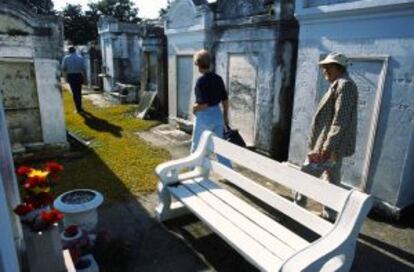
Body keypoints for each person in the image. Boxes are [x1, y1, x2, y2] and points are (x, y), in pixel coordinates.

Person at [294, 52, 358, 221]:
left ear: (338, 68)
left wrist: (326, 147)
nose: (324, 72)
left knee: (306, 174)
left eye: (327, 68)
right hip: (332, 146)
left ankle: (297, 208)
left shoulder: (345, 85)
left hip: (329, 147)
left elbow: (340, 120)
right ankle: (330, 215)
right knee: (332, 179)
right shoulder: (339, 84)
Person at [191, 49, 231, 167]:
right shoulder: (218, 78)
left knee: (197, 145)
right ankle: (229, 172)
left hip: (205, 117)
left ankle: (192, 170)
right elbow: (225, 100)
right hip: (217, 115)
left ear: (198, 64)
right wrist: (224, 118)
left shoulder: (201, 81)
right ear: (209, 63)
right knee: (220, 147)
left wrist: (194, 107)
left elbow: (203, 105)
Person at [62, 46, 86, 113]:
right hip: (79, 75)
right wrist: (84, 77)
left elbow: (63, 68)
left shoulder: (66, 58)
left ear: (69, 51)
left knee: (74, 92)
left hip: (71, 75)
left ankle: (78, 108)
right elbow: (84, 68)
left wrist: (65, 77)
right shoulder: (80, 57)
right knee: (79, 92)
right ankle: (80, 106)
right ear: (75, 50)